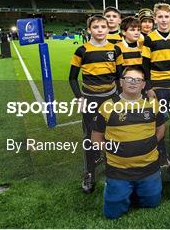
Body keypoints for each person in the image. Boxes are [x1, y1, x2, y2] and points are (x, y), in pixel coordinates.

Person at [92, 66, 165, 219]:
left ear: (143, 85)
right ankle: (117, 188)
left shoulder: (153, 104)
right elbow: (96, 138)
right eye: (129, 79)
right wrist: (113, 150)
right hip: (118, 170)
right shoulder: (107, 106)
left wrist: (150, 144)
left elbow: (161, 129)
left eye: (138, 80)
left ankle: (136, 189)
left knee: (153, 203)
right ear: (121, 82)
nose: (133, 83)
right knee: (112, 214)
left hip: (148, 167)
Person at [69, 14, 124, 193]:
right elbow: (72, 78)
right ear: (89, 30)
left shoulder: (115, 50)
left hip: (110, 98)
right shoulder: (81, 51)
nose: (100, 30)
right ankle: (89, 173)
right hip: (90, 98)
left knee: (112, 133)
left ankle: (114, 168)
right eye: (96, 27)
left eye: (103, 27)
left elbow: (119, 76)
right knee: (90, 137)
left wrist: (119, 96)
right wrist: (79, 97)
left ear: (109, 29)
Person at [141, 3, 170, 164]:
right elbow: (145, 65)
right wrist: (149, 87)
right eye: (160, 16)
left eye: (166, 16)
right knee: (159, 122)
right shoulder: (149, 39)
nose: (163, 19)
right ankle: (161, 153)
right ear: (155, 19)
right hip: (158, 88)